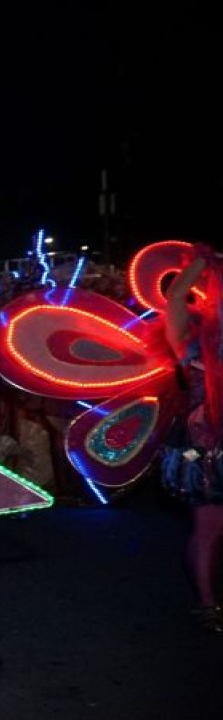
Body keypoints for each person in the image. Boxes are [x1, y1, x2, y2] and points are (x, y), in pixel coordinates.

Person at [163, 242, 223, 633]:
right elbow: (173, 297)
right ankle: (207, 603)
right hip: (206, 443)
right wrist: (202, 261)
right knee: (209, 527)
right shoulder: (190, 332)